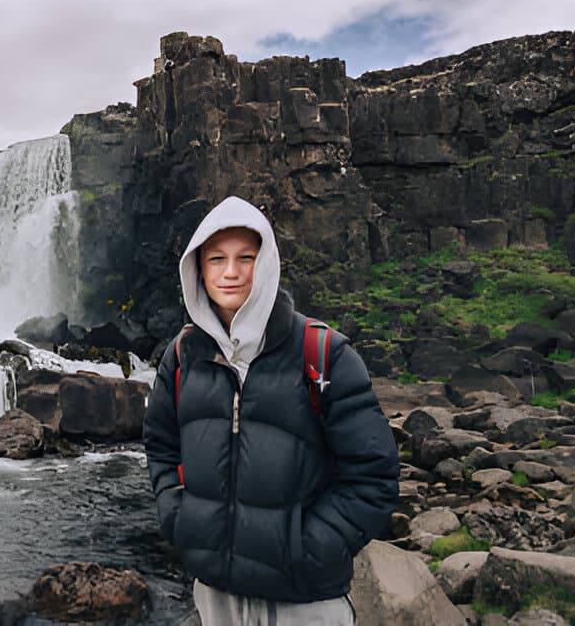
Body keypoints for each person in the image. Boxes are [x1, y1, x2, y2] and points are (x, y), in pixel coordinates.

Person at [143, 196, 399, 625]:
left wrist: (309, 547)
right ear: (197, 269)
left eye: (246, 258)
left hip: (305, 598)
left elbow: (374, 474)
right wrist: (178, 516)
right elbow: (161, 445)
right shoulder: (183, 355)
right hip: (216, 593)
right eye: (216, 259)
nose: (230, 272)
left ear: (267, 264)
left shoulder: (324, 353)